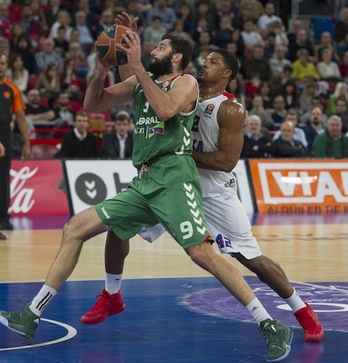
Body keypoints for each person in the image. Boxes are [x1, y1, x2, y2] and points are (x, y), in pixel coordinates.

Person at [0, 31, 293, 362]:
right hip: (145, 180)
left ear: (177, 57)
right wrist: (101, 69)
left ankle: (269, 323)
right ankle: (33, 313)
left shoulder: (186, 84)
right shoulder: (142, 81)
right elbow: (93, 103)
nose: (155, 50)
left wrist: (137, 65)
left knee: (202, 254)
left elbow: (166, 110)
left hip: (175, 177)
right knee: (75, 228)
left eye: (162, 47)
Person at [79, 24, 322, 348]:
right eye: (204, 59)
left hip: (213, 188)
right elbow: (139, 85)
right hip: (170, 181)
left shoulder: (230, 108)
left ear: (227, 74)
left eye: (213, 61)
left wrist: (178, 152)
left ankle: (301, 309)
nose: (205, 63)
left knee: (250, 259)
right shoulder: (180, 85)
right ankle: (111, 294)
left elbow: (225, 161)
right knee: (118, 227)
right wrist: (125, 43)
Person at [0, 53, 31, 231]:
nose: (0, 66)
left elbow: (20, 116)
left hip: (5, 133)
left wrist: (26, 143)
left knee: (3, 177)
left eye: (3, 63)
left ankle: (3, 218)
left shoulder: (12, 89)